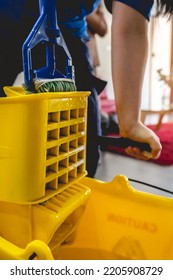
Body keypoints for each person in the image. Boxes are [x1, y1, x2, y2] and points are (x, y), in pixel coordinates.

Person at [0, 1, 172, 177]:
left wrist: (130, 123)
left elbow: (131, 26)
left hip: (66, 29)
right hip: (7, 14)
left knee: (83, 155)